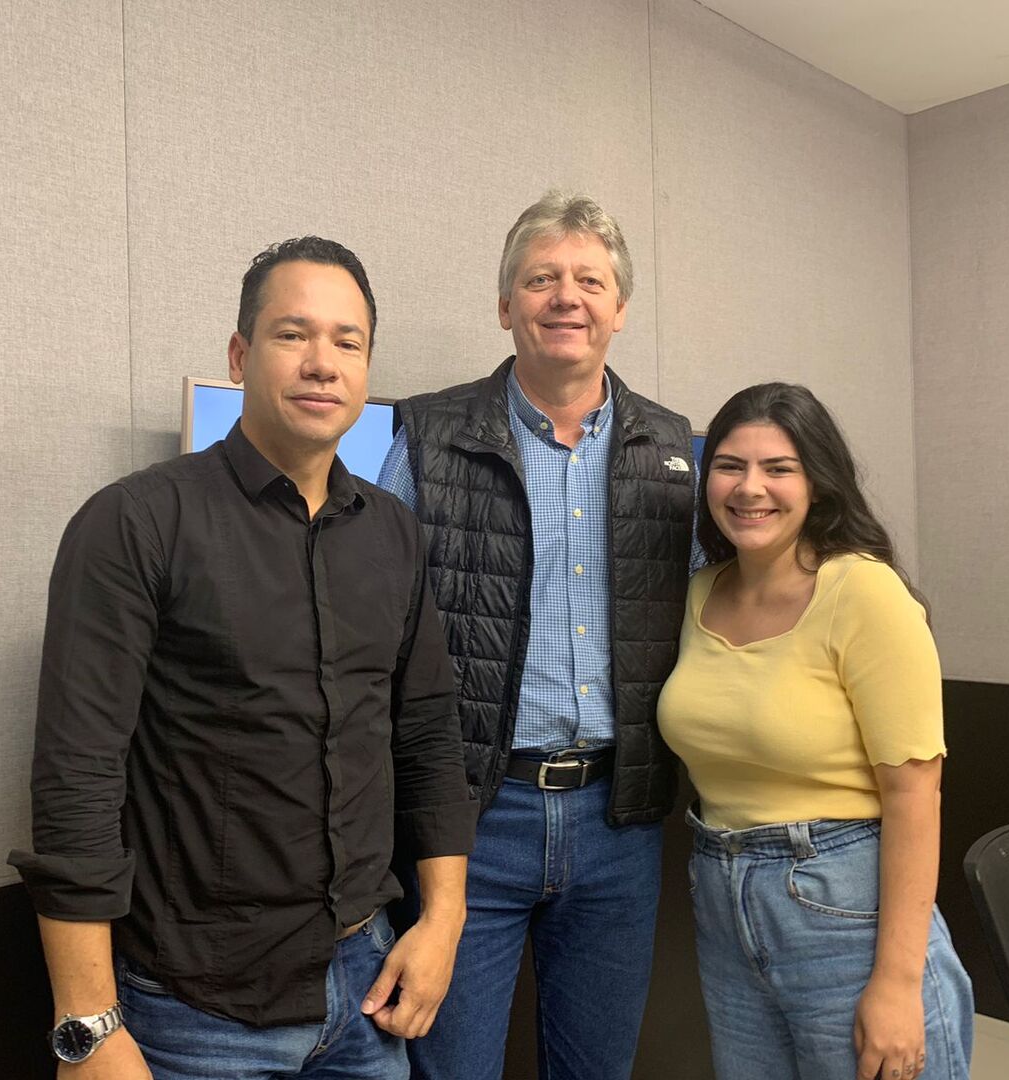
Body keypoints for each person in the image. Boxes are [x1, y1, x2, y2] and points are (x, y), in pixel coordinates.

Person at [9, 237, 478, 1080]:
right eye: (292, 334)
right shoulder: (137, 524)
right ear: (239, 354)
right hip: (196, 1011)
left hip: (369, 994)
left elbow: (429, 738)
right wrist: (86, 1024)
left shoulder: (393, 534)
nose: (322, 364)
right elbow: (77, 778)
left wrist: (442, 921)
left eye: (348, 341)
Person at [378, 192, 695, 1080]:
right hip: (473, 821)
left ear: (619, 309)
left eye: (589, 280)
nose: (567, 297)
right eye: (542, 278)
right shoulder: (428, 436)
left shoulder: (669, 449)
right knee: (450, 1069)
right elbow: (376, 620)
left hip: (619, 820)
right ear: (505, 304)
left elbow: (723, 604)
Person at [657, 383, 974, 1080]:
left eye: (779, 468)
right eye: (731, 465)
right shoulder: (700, 593)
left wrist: (896, 983)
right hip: (721, 894)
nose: (750, 488)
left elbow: (916, 795)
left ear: (819, 485)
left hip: (842, 902)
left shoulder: (863, 591)